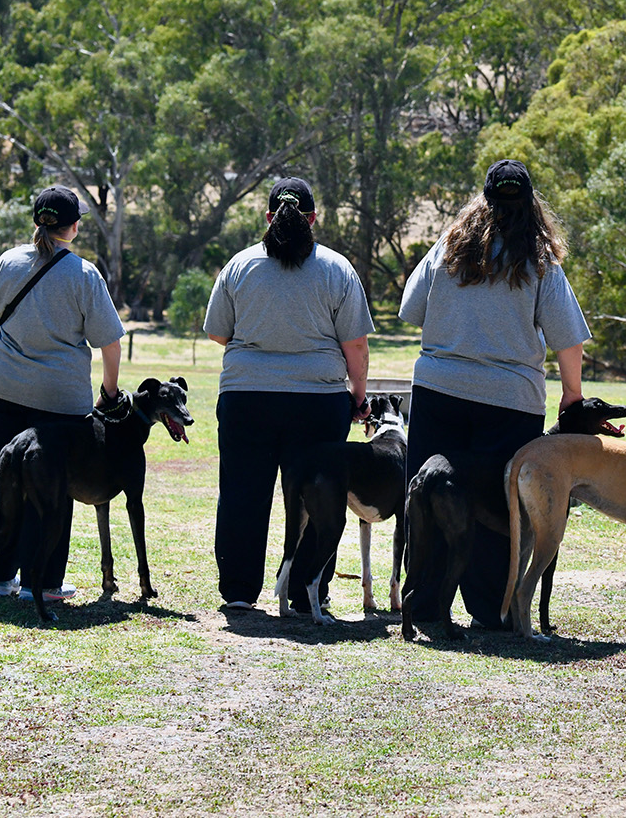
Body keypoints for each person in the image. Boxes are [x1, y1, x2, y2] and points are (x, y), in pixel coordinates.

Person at [399, 159, 590, 630]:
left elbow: (408, 309)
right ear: (530, 205)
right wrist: (572, 395)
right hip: (510, 403)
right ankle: (491, 609)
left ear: (483, 201)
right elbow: (568, 340)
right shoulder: (541, 261)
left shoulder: (447, 248)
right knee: (497, 510)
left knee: (429, 497)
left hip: (439, 391)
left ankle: (423, 607)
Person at [205, 177, 375, 614]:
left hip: (247, 398)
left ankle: (240, 591)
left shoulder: (239, 266)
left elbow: (217, 332)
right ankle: (305, 592)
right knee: (318, 495)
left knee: (243, 492)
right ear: (313, 219)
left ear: (267, 217)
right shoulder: (337, 268)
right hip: (318, 402)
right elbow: (355, 345)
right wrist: (357, 395)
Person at [0, 185, 127, 604]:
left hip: (0, 388)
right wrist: (109, 392)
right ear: (74, 227)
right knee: (54, 487)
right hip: (61, 401)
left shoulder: (7, 262)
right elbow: (109, 344)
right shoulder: (83, 274)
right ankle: (44, 584)